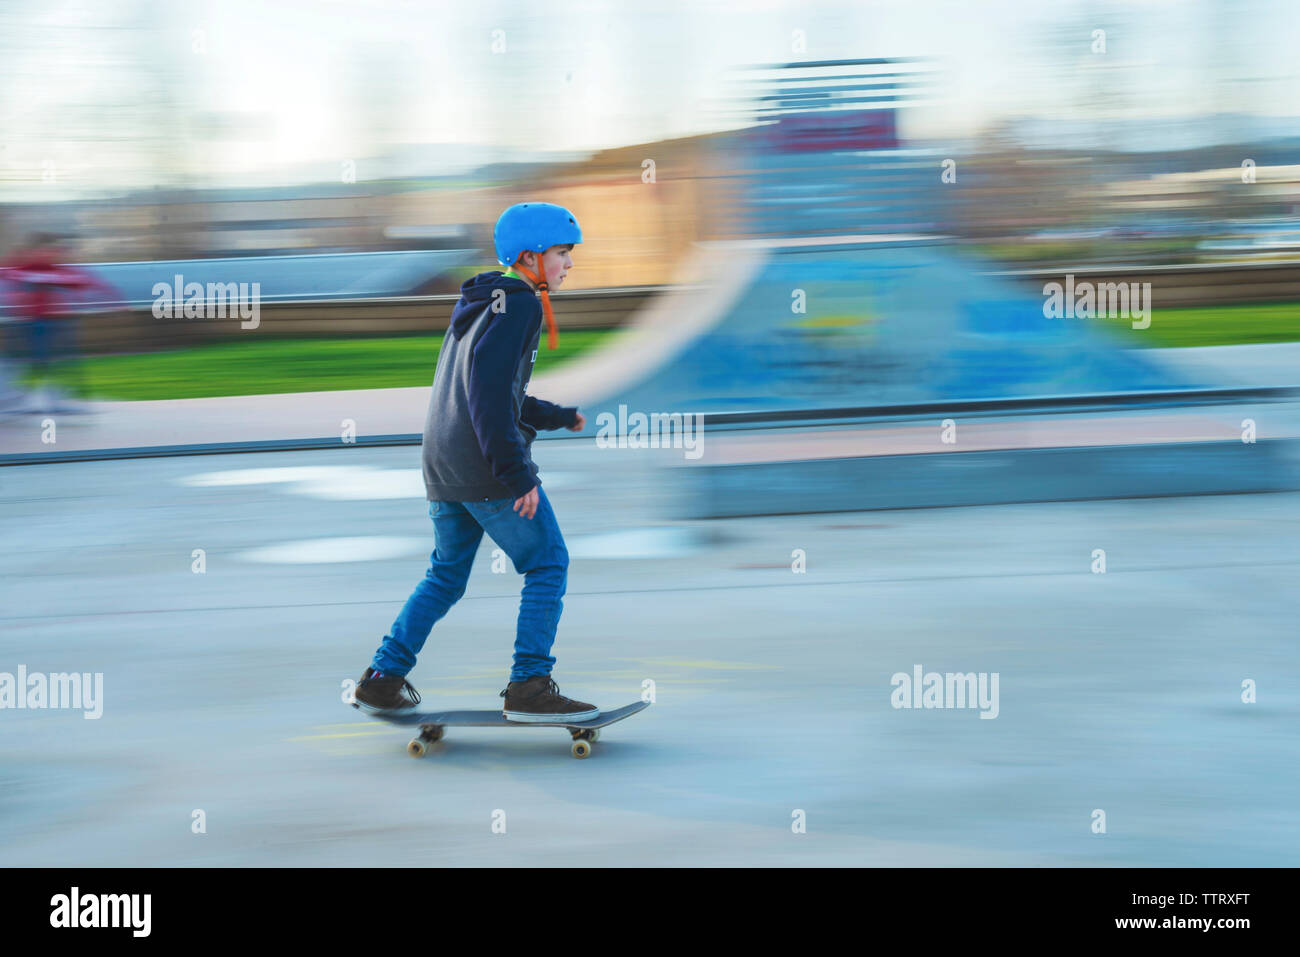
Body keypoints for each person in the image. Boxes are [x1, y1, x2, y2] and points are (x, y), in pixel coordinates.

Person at [353, 202, 597, 721]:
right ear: (531, 256)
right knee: (547, 563)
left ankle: (381, 678)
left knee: (445, 576)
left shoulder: (486, 301)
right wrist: (517, 475)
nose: (568, 264)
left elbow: (491, 393)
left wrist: (557, 416)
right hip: (486, 469)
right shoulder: (523, 305)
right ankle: (530, 683)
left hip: (444, 463)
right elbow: (487, 397)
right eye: (562, 253)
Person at [0, 232, 118, 411]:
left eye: (53, 251)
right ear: (32, 251)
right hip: (25, 325)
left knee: (58, 363)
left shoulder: (59, 271)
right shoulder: (20, 269)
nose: (50, 255)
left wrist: (114, 302)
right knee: (15, 362)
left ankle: (58, 399)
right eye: (45, 250)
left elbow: (89, 283)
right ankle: (10, 399)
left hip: (53, 325)